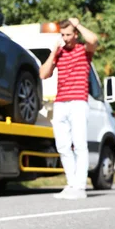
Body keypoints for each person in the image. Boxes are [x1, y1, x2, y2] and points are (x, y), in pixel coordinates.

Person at [39, 18, 98, 200]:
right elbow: (43, 74)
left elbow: (94, 40)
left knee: (79, 144)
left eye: (68, 34)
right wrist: (53, 52)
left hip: (78, 102)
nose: (65, 38)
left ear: (75, 34)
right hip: (60, 103)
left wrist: (78, 24)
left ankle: (80, 187)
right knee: (63, 146)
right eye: (62, 35)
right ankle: (71, 184)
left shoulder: (84, 50)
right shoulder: (59, 52)